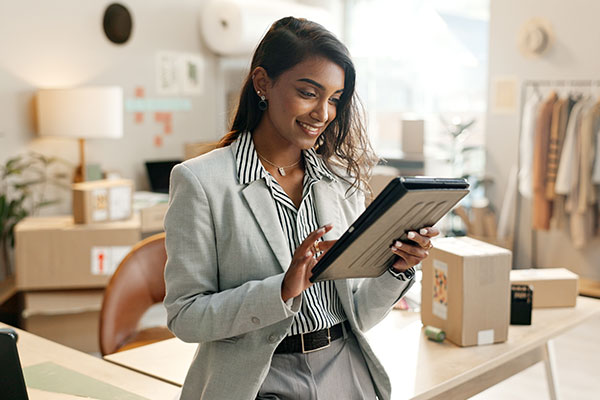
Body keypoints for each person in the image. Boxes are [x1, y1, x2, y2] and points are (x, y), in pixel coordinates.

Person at [163, 17, 437, 400]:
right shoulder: (201, 182)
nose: (323, 113)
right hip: (259, 382)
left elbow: (358, 316)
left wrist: (396, 271)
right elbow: (185, 317)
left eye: (335, 99)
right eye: (309, 93)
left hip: (346, 371)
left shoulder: (341, 182)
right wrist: (281, 289)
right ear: (263, 83)